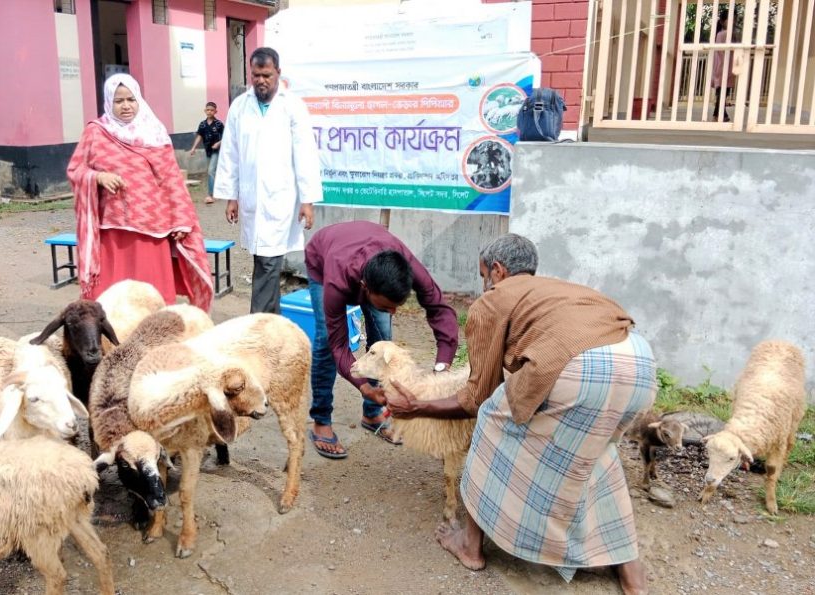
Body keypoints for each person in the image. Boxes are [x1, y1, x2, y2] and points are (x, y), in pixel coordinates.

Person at [387, 234, 655, 595]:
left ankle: (470, 546)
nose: (485, 284)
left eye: (484, 275)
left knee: (490, 426)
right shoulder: (556, 288)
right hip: (639, 362)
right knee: (596, 455)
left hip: (578, 367)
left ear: (497, 270)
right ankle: (630, 572)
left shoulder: (493, 301)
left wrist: (417, 407)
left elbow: (476, 398)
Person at [304, 221, 459, 458]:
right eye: (388, 306)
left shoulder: (406, 266)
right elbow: (339, 345)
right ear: (365, 288)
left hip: (366, 254)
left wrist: (442, 367)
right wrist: (364, 387)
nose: (394, 312)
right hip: (322, 259)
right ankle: (321, 420)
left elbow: (440, 309)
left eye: (398, 306)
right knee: (326, 340)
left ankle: (373, 412)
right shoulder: (337, 281)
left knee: (384, 339)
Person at [67, 73, 213, 309]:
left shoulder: (155, 133)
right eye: (119, 101)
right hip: (112, 231)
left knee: (151, 301)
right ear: (108, 102)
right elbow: (76, 169)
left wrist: (181, 219)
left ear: (139, 100)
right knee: (111, 302)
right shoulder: (96, 132)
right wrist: (98, 177)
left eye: (131, 99)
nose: (126, 106)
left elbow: (171, 180)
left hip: (152, 231)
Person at [214, 47, 322, 314]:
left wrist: (307, 200)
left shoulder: (292, 106)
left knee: (268, 261)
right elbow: (230, 153)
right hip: (252, 196)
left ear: (278, 73)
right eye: (255, 75)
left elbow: (305, 153)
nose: (261, 80)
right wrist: (231, 196)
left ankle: (258, 322)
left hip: (281, 197)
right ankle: (272, 322)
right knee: (263, 259)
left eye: (266, 75)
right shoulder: (240, 106)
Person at [188, 101, 223, 205]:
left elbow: (226, 136)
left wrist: (218, 143)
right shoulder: (202, 124)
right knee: (211, 172)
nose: (209, 112)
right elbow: (199, 136)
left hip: (217, 151)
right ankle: (218, 191)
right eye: (208, 110)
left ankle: (210, 195)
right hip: (208, 151)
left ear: (215, 111)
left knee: (211, 171)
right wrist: (193, 148)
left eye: (212, 110)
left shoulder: (219, 124)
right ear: (205, 111)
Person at [711, 12, 734, 122]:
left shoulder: (724, 33)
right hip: (724, 66)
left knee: (722, 92)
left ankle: (718, 114)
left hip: (724, 65)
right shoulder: (723, 34)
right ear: (722, 22)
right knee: (722, 92)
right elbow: (721, 51)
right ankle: (721, 114)